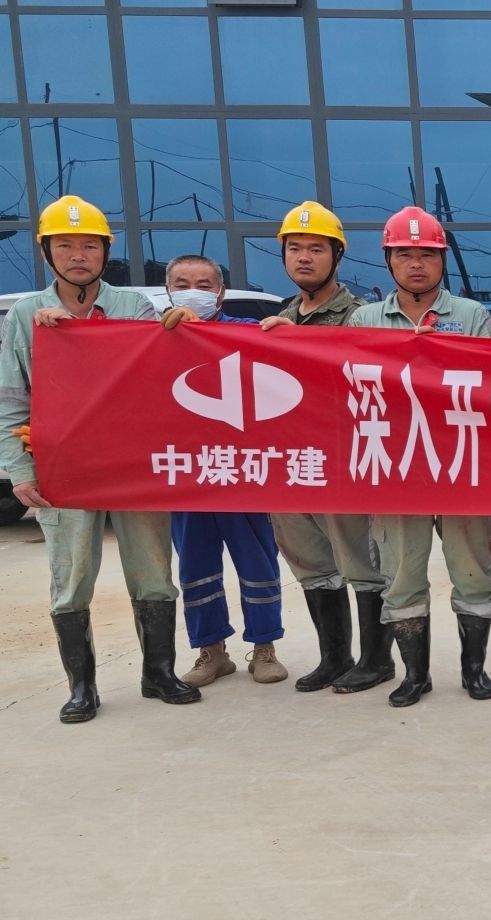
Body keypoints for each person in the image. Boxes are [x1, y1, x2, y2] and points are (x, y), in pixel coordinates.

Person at [0, 195, 200, 722]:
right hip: (62, 469)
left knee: (153, 571)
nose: (78, 255)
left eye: (89, 245)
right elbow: (10, 399)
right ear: (47, 252)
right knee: (72, 577)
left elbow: (161, 375)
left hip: (132, 466)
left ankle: (159, 673)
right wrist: (19, 470)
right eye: (65, 245)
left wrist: (185, 331)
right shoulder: (25, 316)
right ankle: (82, 687)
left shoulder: (135, 307)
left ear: (105, 251)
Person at [349, 207, 491, 707]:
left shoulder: (472, 316)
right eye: (405, 255)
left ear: (442, 260)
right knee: (401, 573)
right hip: (397, 466)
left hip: (460, 462)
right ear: (388, 261)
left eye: (427, 255)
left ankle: (474, 670)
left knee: (472, 569)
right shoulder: (364, 320)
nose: (416, 264)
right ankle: (414, 675)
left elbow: (490, 383)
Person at [256, 202, 384, 694]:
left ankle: (376, 660)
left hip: (343, 462)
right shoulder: (278, 319)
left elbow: (365, 375)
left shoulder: (360, 316)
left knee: (361, 563)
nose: (304, 258)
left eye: (316, 249)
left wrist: (308, 346)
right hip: (290, 463)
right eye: (295, 249)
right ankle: (335, 657)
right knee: (311, 565)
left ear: (337, 256)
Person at [158, 255, 289, 687]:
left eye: (203, 284)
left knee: (257, 560)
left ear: (220, 292)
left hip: (242, 470)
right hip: (187, 473)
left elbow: (288, 361)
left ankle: (264, 647)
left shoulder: (248, 331)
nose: (192, 291)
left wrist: (290, 334)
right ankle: (211, 650)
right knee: (195, 564)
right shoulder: (152, 337)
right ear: (167, 290)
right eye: (182, 283)